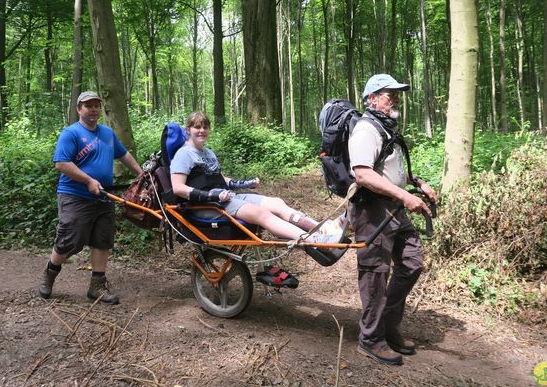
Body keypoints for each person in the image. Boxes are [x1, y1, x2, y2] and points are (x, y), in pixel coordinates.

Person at [348, 74, 437, 366]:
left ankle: (386, 324)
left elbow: (391, 169)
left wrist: (418, 183)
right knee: (375, 274)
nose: (395, 99)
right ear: (372, 98)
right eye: (389, 94)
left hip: (394, 208)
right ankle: (371, 339)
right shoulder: (365, 130)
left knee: (411, 262)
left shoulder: (387, 128)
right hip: (372, 211)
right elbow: (363, 174)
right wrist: (405, 196)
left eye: (397, 94)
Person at [169, 112, 344, 245]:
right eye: (197, 127)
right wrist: (211, 196)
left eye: (205, 127)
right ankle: (313, 239)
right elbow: (178, 188)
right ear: (188, 130)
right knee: (261, 213)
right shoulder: (183, 154)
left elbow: (221, 179)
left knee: (276, 202)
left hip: (224, 198)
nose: (201, 131)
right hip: (206, 206)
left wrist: (245, 183)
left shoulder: (208, 152)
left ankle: (324, 228)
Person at [38, 91, 143, 304]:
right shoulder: (71, 134)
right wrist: (88, 180)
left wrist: (141, 175)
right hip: (75, 196)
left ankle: (96, 287)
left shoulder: (107, 133)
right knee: (70, 240)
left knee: (102, 240)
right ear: (79, 109)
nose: (93, 109)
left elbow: (124, 155)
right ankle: (49, 275)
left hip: (104, 196)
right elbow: (61, 163)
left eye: (96, 105)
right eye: (88, 105)